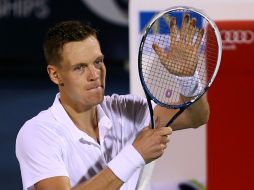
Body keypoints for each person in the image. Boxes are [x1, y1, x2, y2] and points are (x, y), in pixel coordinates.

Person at [16, 17, 209, 190]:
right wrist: (135, 155)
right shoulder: (38, 133)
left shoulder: (127, 109)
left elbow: (195, 117)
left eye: (98, 62)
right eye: (80, 68)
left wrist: (187, 79)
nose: (95, 74)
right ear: (55, 74)